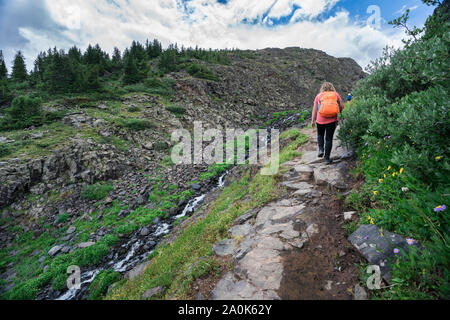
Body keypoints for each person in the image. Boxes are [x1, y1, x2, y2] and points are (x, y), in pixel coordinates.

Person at [311, 82, 344, 165]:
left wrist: (312, 121)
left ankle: (321, 149)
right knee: (329, 139)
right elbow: (342, 106)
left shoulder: (319, 96)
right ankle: (326, 159)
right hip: (332, 120)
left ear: (323, 88)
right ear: (332, 87)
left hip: (320, 120)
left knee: (320, 135)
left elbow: (314, 110)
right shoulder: (336, 94)